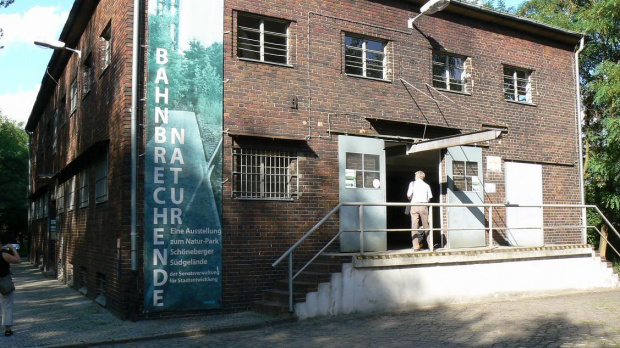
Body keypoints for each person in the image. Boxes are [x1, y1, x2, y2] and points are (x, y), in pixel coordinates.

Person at [406, 171, 433, 251]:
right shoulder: (426, 185)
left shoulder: (412, 184)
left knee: (414, 226)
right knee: (426, 226)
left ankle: (416, 246)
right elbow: (429, 198)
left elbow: (408, 195)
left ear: (417, 176)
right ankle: (430, 245)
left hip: (414, 205)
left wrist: (411, 198)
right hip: (424, 205)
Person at [0, 235, 21, 337]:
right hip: (4, 281)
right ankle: (8, 330)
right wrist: (12, 248)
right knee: (7, 305)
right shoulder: (4, 255)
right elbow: (18, 260)